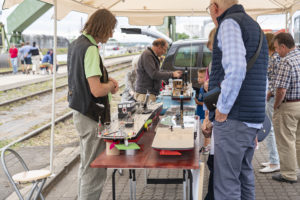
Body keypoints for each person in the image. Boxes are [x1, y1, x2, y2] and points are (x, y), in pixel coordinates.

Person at [202, 1, 269, 199]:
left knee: (227, 183)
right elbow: (261, 77)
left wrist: (222, 108)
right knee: (244, 177)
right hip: (252, 117)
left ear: (214, 7)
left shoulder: (229, 24)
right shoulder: (255, 26)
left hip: (234, 117)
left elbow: (237, 67)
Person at [67, 9, 118, 200]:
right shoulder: (90, 48)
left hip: (80, 112)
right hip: (91, 115)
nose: (111, 34)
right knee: (94, 170)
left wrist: (105, 77)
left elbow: (82, 77)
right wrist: (111, 85)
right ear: (103, 27)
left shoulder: (76, 45)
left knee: (86, 165)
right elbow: (96, 90)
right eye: (111, 29)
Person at [272, 32, 300, 184]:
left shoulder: (285, 61)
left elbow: (281, 90)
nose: (276, 51)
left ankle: (289, 174)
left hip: (289, 106)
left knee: (286, 141)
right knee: (298, 140)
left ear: (283, 46)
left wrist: (276, 105)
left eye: (277, 48)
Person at [135, 38, 182, 102]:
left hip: (148, 93)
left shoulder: (151, 55)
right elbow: (154, 74)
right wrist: (172, 74)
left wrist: (172, 73)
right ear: (159, 47)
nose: (164, 52)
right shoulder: (148, 55)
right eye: (164, 50)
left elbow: (158, 71)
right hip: (145, 94)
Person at [259, 33, 280, 173]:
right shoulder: (275, 57)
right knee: (271, 128)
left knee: (269, 129)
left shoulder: (273, 59)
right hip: (272, 96)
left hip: (271, 97)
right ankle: (274, 159)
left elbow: (275, 81)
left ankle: (274, 161)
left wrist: (269, 92)